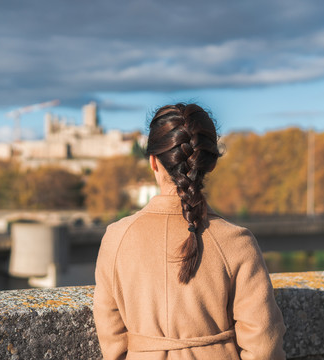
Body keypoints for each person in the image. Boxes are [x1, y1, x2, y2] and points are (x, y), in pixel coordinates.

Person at [93, 103, 286, 359]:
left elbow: (111, 336)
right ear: (211, 163)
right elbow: (264, 345)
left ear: (153, 162)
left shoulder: (116, 238)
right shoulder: (237, 242)